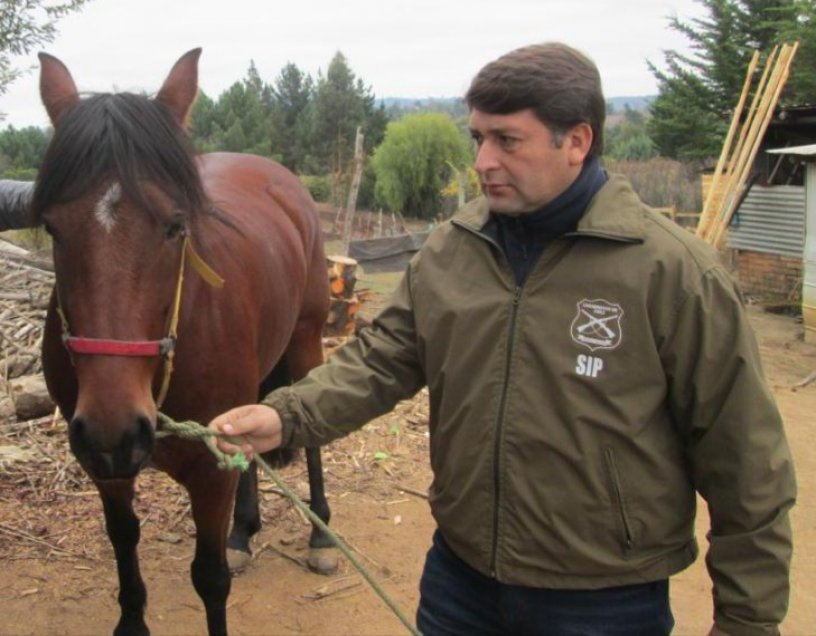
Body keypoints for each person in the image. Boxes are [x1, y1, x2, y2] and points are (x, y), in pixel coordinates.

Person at [210, 42, 795, 636]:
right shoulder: (454, 250)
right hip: (460, 582)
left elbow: (744, 458)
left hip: (603, 600)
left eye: (508, 140)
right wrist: (285, 415)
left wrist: (747, 621)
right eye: (478, 139)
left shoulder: (671, 273)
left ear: (577, 141)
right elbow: (381, 359)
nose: (484, 161)